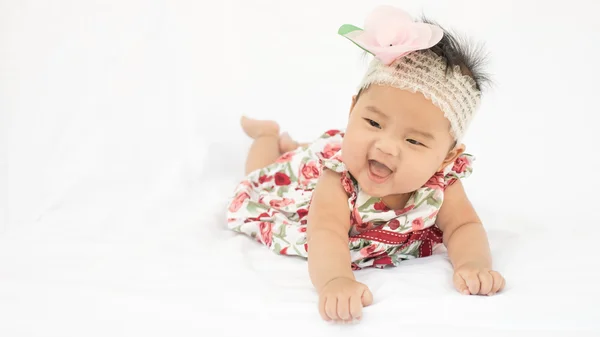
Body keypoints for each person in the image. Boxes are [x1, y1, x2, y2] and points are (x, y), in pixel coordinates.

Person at [226, 5, 505, 323]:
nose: (386, 146)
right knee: (260, 177)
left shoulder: (443, 184)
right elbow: (326, 232)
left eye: (413, 141)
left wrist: (473, 264)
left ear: (446, 158)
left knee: (325, 146)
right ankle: (267, 136)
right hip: (304, 194)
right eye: (373, 122)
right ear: (353, 109)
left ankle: (299, 144)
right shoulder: (338, 179)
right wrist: (335, 280)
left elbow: (463, 226)